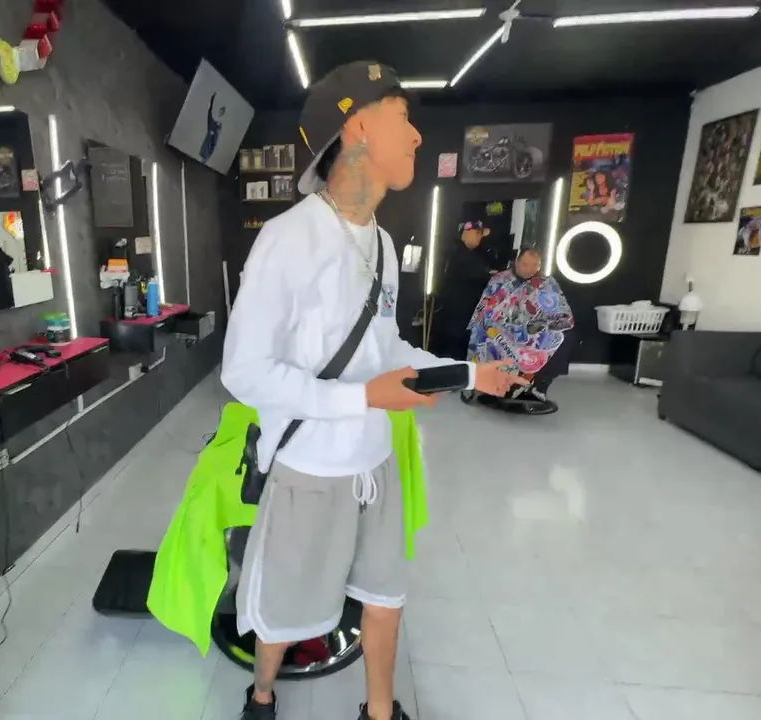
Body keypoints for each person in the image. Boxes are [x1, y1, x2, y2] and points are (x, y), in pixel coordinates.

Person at [221, 61, 525, 720]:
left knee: (385, 596)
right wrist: (361, 399)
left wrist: (471, 373)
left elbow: (385, 352)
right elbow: (243, 371)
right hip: (308, 470)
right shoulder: (287, 239)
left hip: (374, 465)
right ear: (358, 126)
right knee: (283, 611)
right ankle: (262, 695)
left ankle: (380, 711)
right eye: (402, 118)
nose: (416, 136)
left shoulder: (384, 245)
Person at [467, 247, 575, 400]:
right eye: (525, 264)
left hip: (534, 329)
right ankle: (500, 383)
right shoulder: (501, 280)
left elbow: (558, 308)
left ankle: (539, 386)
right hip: (502, 328)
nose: (530, 269)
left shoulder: (545, 282)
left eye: (535, 265)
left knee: (566, 338)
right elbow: (485, 310)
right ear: (517, 262)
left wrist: (553, 321)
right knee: (495, 337)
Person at [430, 221, 500, 361]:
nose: (479, 238)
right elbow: (473, 272)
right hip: (454, 320)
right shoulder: (457, 253)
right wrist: (489, 274)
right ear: (466, 232)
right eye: (478, 234)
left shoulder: (468, 254)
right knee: (450, 359)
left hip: (459, 320)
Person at [201, 91, 224, 163]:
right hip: (205, 149)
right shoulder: (212, 122)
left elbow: (214, 142)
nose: (220, 113)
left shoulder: (218, 126)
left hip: (207, 151)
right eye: (220, 111)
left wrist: (209, 153)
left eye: (222, 112)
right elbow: (209, 109)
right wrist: (212, 97)